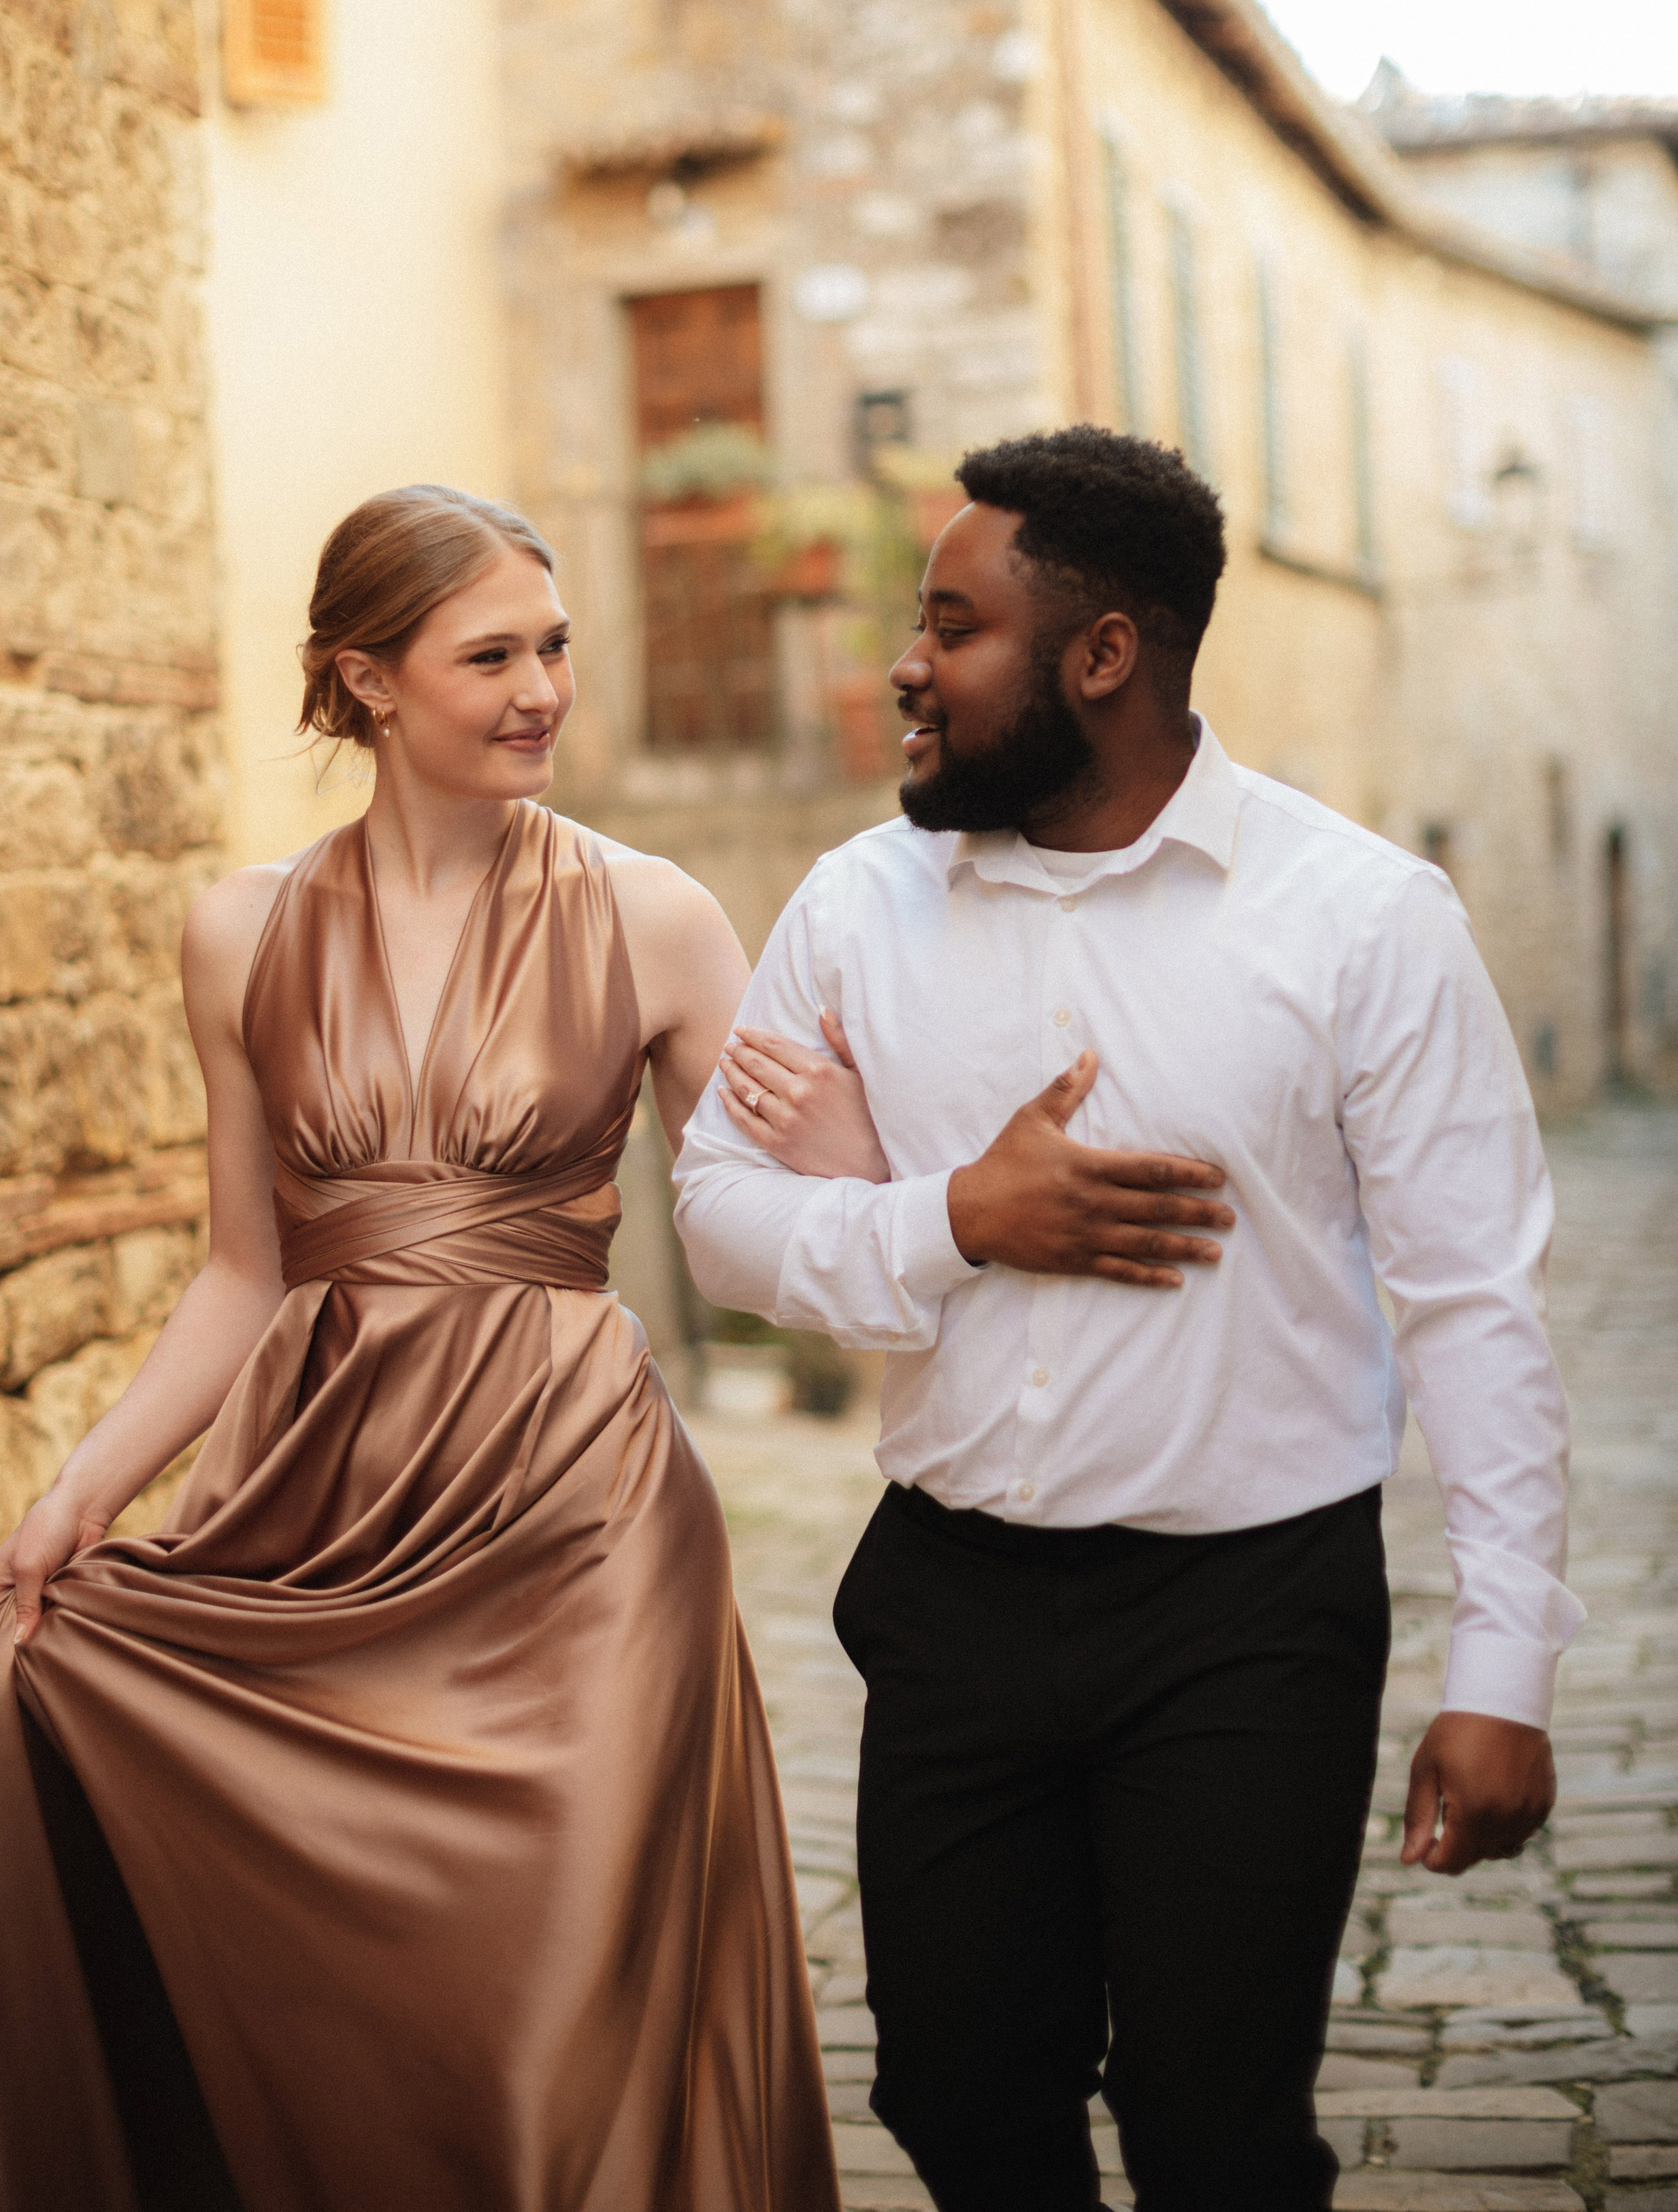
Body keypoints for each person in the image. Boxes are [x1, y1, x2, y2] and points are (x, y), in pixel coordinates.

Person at [674, 426, 1582, 2212]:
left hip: (1245, 1613)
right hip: (951, 1600)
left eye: (955, 624)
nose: (906, 664)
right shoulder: (858, 906)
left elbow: (1473, 1300)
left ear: (1106, 654)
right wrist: (954, 1221)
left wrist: (1507, 1672)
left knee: (1216, 2131)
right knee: (950, 2092)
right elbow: (715, 1214)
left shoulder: (1364, 921)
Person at [0, 485, 844, 2212]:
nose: (543, 692)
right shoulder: (240, 932)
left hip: (576, 1519)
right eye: (489, 655)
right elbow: (238, 1276)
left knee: (558, 2012)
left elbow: (773, 1231)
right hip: (322, 1496)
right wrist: (79, 1496)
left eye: (554, 648)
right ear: (363, 681)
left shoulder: (655, 915)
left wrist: (853, 1119)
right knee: (347, 1997)